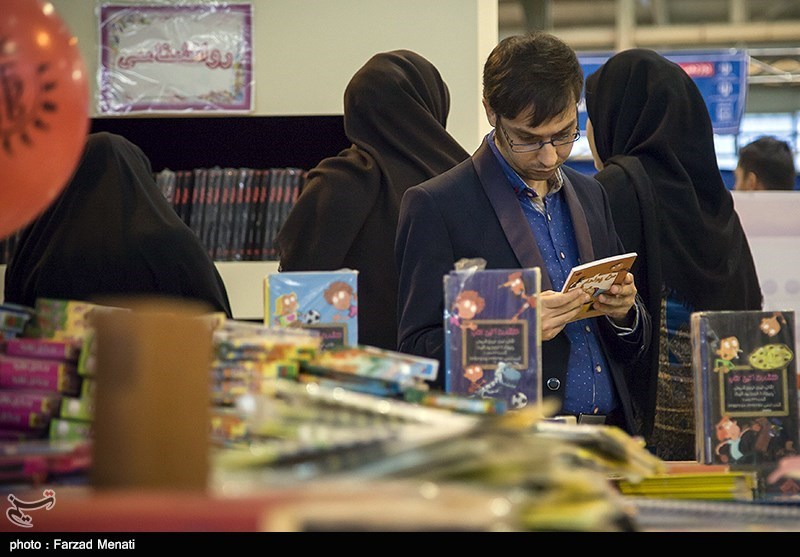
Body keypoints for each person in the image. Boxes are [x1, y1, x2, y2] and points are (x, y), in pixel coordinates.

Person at [395, 32, 651, 434]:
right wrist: (516, 331)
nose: (549, 156)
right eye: (528, 140)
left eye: (564, 134)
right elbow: (416, 353)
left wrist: (624, 313)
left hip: (609, 435)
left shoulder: (591, 194)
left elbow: (629, 342)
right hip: (512, 443)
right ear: (490, 111)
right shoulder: (438, 205)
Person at [584, 48, 763, 459]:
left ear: (616, 116)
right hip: (727, 433)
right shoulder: (715, 201)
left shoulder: (614, 189)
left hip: (640, 439)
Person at [276, 49, 469, 350]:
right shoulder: (464, 182)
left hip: (346, 368)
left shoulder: (335, 181)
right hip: (444, 362)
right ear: (432, 104)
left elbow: (295, 281)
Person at [4, 131, 233, 317]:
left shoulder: (37, 246)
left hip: (55, 361)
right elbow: (218, 328)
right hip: (157, 360)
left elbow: (13, 328)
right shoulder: (176, 244)